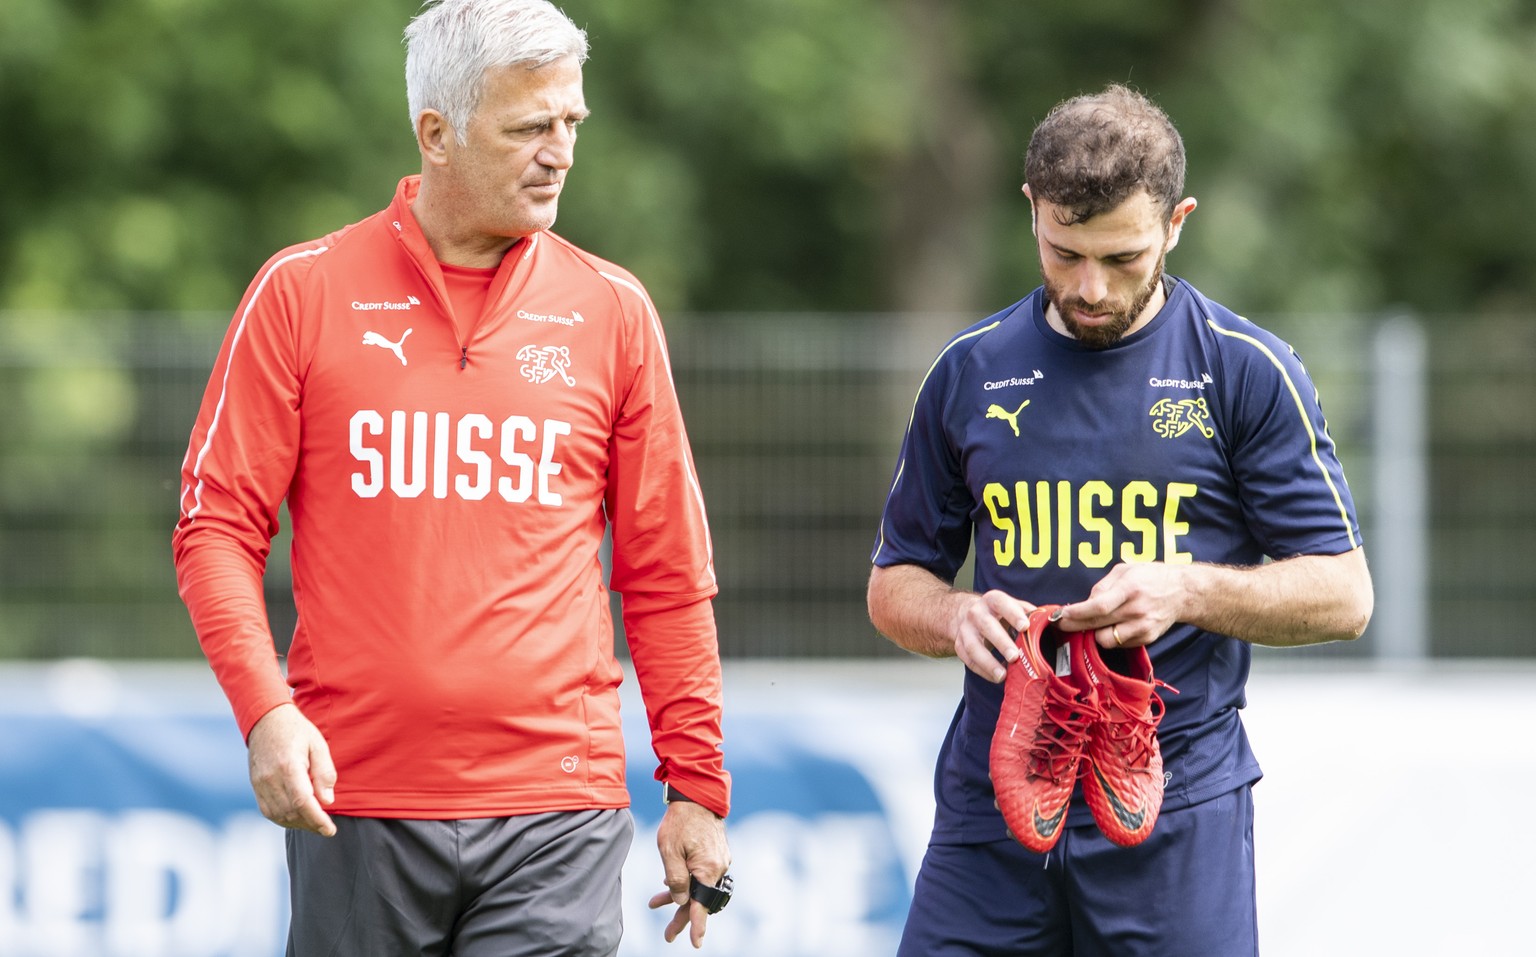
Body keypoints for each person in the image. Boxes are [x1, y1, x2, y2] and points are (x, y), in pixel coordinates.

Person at [172, 1, 731, 953]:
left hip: (560, 809)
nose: (560, 152)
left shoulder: (613, 311)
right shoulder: (302, 292)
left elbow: (667, 572)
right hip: (356, 799)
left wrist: (697, 788)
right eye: (528, 128)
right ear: (436, 133)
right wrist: (265, 711)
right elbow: (215, 527)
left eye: (571, 123)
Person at [867, 84, 1373, 956]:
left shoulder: (1245, 370)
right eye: (1064, 253)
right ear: (1031, 210)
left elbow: (1344, 593)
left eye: (1123, 256)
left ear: (1177, 223)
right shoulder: (968, 372)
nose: (1089, 287)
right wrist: (954, 613)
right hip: (996, 799)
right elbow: (892, 584)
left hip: (1172, 805)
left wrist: (1187, 590)